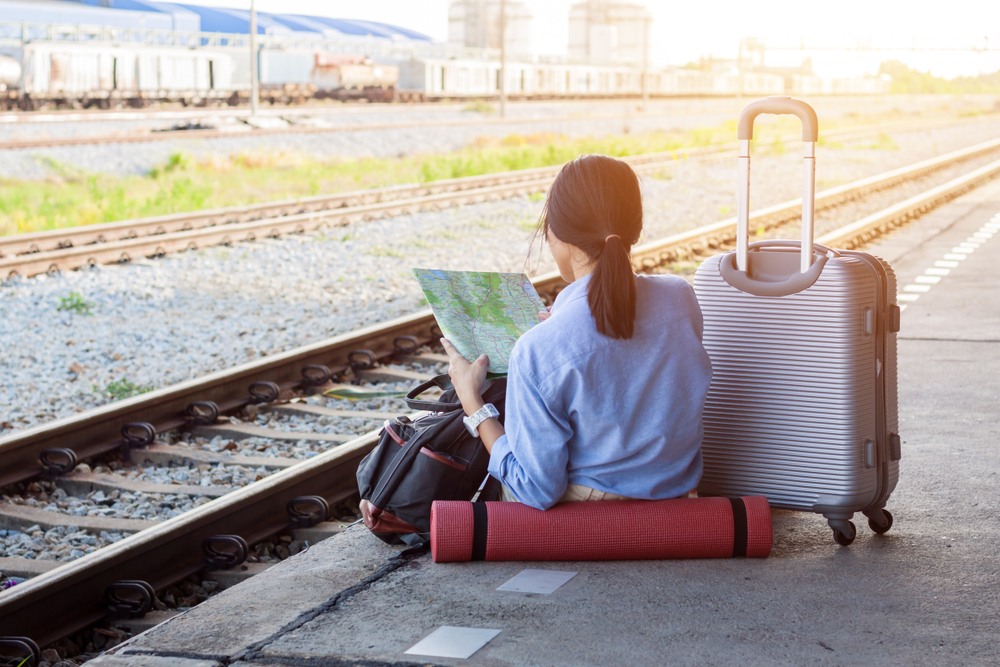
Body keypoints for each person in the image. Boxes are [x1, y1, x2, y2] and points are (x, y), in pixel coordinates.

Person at [441, 153, 712, 511]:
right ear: (635, 226)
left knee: (501, 472)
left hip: (591, 512)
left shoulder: (538, 349)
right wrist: (565, 324)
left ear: (560, 236)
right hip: (675, 494)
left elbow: (535, 489)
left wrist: (472, 402)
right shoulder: (680, 297)